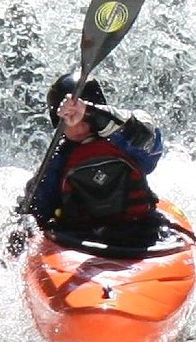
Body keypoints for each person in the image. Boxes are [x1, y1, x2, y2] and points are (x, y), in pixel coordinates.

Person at [21, 72, 167, 251]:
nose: (79, 123)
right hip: (82, 242)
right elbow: (36, 208)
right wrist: (19, 230)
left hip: (142, 233)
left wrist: (89, 112)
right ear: (58, 121)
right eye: (70, 117)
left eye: (83, 116)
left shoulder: (125, 140)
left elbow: (149, 139)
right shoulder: (57, 160)